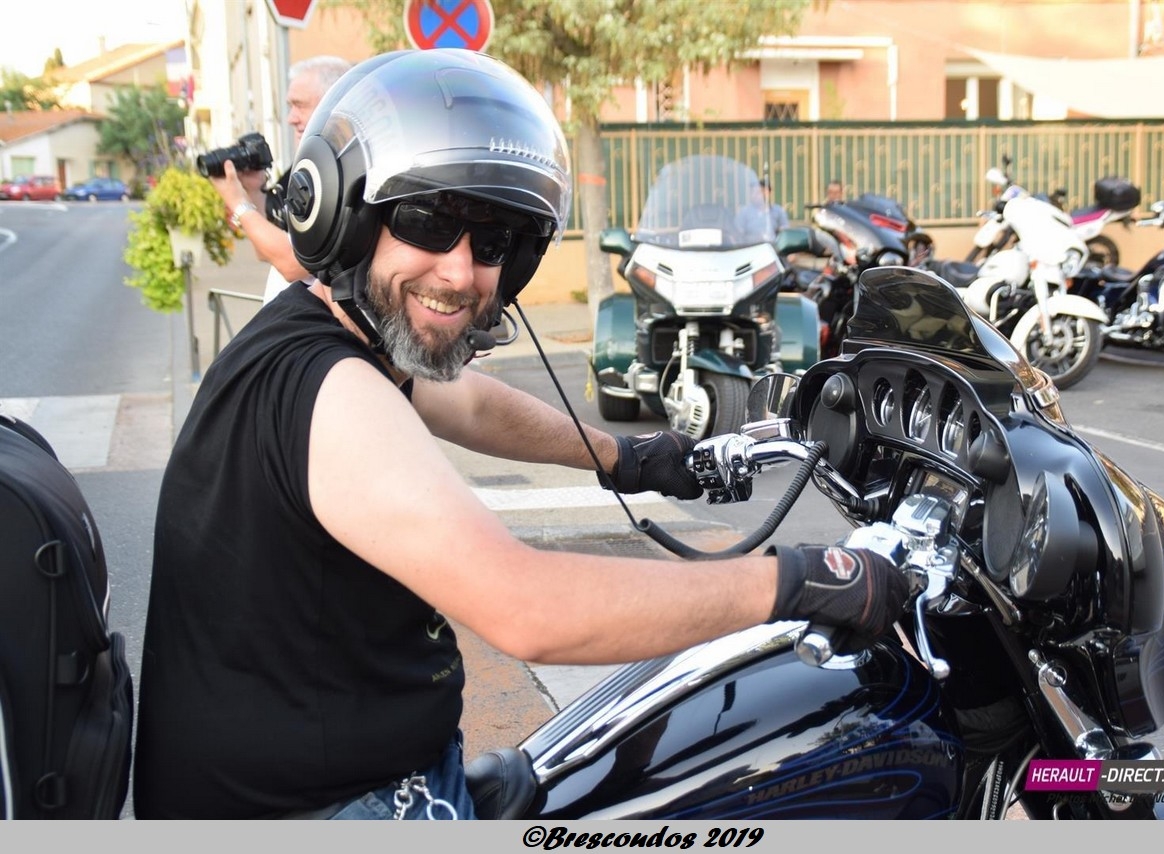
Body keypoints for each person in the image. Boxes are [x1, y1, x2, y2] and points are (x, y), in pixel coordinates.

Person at [133, 49, 910, 820]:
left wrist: (629, 458)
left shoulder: (324, 330)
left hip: (353, 773)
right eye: (428, 222)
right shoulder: (330, 391)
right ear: (344, 213)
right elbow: (525, 607)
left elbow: (466, 401)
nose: (460, 272)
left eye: (495, 243)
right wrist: (799, 580)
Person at [207, 55, 352, 304]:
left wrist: (237, 202)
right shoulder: (309, 168)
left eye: (300, 105)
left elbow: (292, 264)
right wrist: (253, 192)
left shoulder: (349, 173)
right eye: (290, 106)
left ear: (334, 104)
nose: (291, 118)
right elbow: (267, 251)